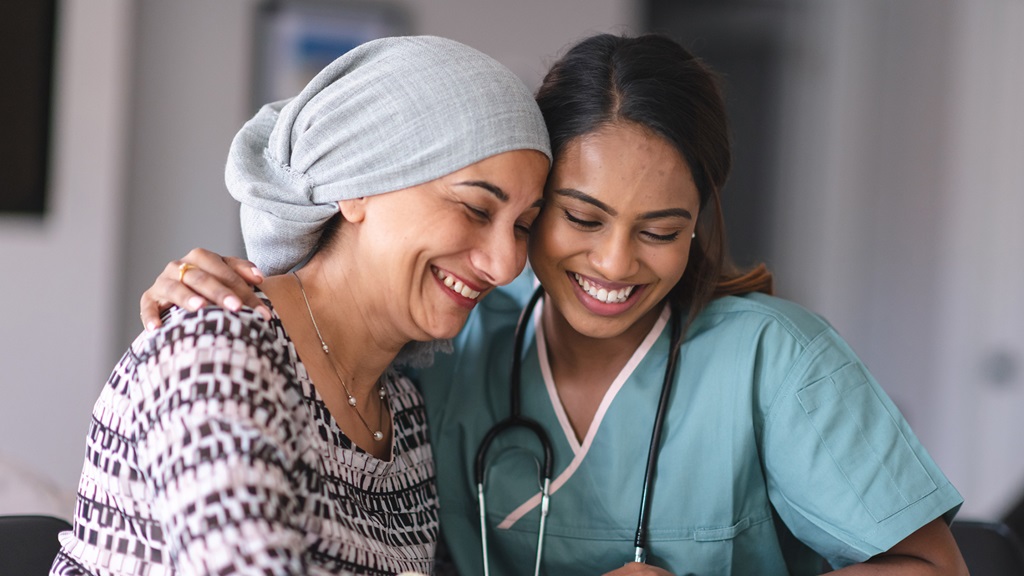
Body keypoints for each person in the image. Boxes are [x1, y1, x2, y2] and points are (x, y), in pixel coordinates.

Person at [137, 34, 968, 575]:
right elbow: (323, 327)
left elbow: (939, 567)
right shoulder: (448, 346)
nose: (613, 263)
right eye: (577, 217)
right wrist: (230, 299)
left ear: (699, 229)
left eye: (661, 231)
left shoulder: (774, 360)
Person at [52, 36, 551, 576]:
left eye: (523, 226)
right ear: (358, 186)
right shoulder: (218, 355)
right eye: (477, 209)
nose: (506, 265)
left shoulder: (401, 410)